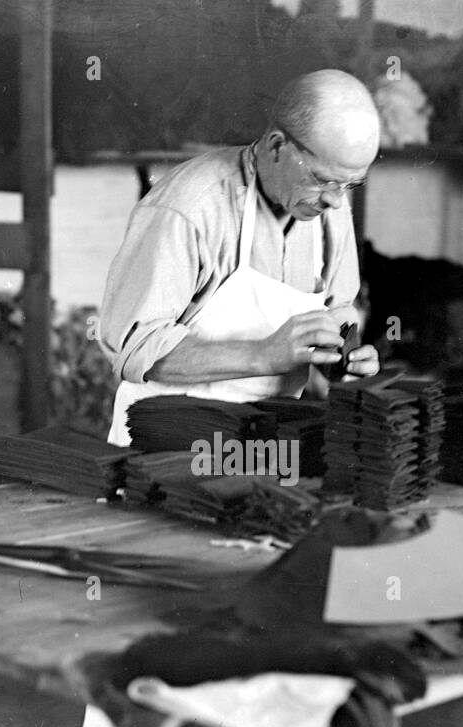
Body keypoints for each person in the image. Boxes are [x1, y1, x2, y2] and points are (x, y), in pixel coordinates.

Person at [98, 69, 382, 446]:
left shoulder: (330, 210)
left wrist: (343, 360)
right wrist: (263, 355)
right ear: (278, 145)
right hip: (168, 445)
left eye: (351, 184)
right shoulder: (189, 207)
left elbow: (339, 308)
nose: (336, 199)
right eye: (322, 179)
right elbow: (134, 349)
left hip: (268, 444)